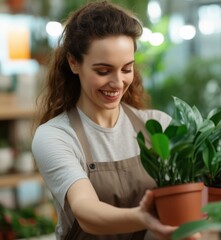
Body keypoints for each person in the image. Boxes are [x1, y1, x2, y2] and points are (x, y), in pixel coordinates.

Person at [31, 1, 178, 239]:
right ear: (73, 62)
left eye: (127, 68)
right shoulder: (56, 136)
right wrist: (142, 217)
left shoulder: (158, 126)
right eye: (103, 71)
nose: (118, 83)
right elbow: (86, 211)